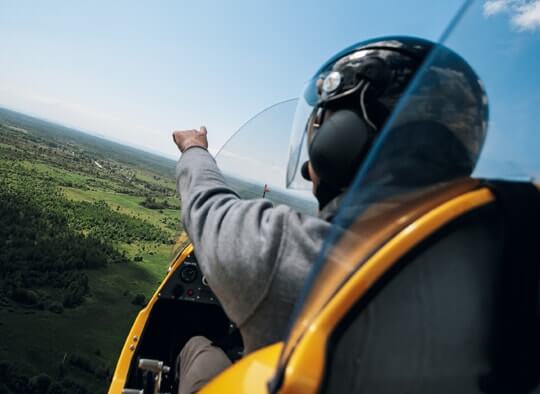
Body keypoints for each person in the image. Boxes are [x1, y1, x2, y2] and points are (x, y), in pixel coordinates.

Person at [171, 36, 488, 394]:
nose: (308, 169)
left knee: (199, 349)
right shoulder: (503, 264)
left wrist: (194, 148)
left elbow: (206, 204)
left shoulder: (300, 254)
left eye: (320, 130)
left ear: (342, 140)